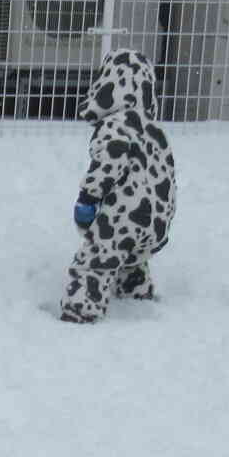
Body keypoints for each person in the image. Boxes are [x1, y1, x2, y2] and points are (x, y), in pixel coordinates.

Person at [60, 49, 176, 324]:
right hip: (158, 222)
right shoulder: (157, 133)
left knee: (94, 262)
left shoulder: (115, 126)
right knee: (131, 258)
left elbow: (110, 160)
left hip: (123, 218)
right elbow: (168, 175)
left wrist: (89, 196)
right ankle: (135, 291)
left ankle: (81, 309)